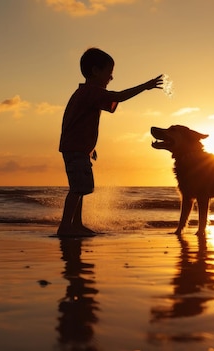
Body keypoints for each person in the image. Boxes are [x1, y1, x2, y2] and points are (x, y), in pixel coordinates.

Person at [58, 47, 163, 236]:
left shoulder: (85, 93)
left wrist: (90, 147)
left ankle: (76, 224)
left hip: (78, 148)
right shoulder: (91, 91)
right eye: (109, 73)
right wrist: (145, 86)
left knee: (80, 188)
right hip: (75, 149)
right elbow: (118, 97)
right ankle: (65, 226)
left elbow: (75, 124)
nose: (111, 78)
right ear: (96, 71)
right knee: (78, 188)